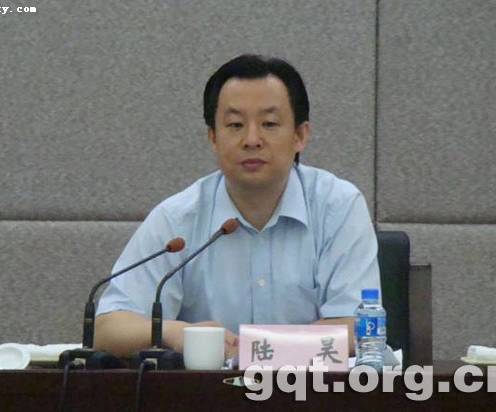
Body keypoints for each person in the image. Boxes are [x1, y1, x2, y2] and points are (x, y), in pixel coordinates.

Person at [95, 54, 380, 358]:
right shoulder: (177, 220)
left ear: (300, 136)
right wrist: (176, 333)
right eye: (235, 124)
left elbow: (359, 327)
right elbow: (107, 328)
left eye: (269, 124)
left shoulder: (338, 208)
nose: (252, 139)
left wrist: (251, 350)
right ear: (213, 137)